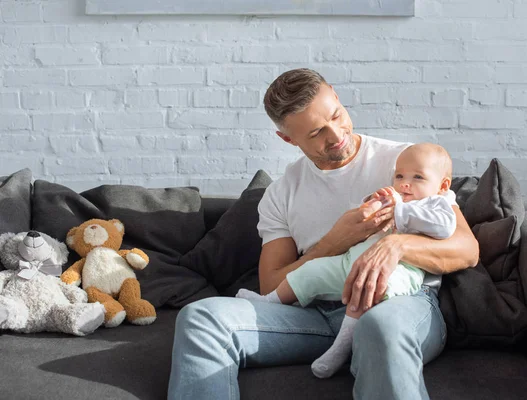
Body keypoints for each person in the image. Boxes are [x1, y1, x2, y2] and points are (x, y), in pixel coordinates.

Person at [168, 68, 479, 400]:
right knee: (200, 318)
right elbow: (272, 286)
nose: (336, 135)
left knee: (380, 328)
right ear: (288, 139)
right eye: (316, 132)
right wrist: (336, 241)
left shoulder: (406, 164)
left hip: (398, 304)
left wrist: (396, 245)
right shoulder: (281, 194)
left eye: (336, 115)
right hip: (314, 315)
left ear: (336, 94)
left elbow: (466, 249)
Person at [236, 142, 457, 379]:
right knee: (310, 271)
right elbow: (364, 218)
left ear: (442, 185)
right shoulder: (397, 197)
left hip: (398, 272)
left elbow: (444, 228)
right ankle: (269, 301)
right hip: (351, 261)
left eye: (418, 177)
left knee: (366, 288)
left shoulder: (438, 204)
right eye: (399, 175)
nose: (405, 183)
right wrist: (375, 202)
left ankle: (340, 349)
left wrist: (399, 212)